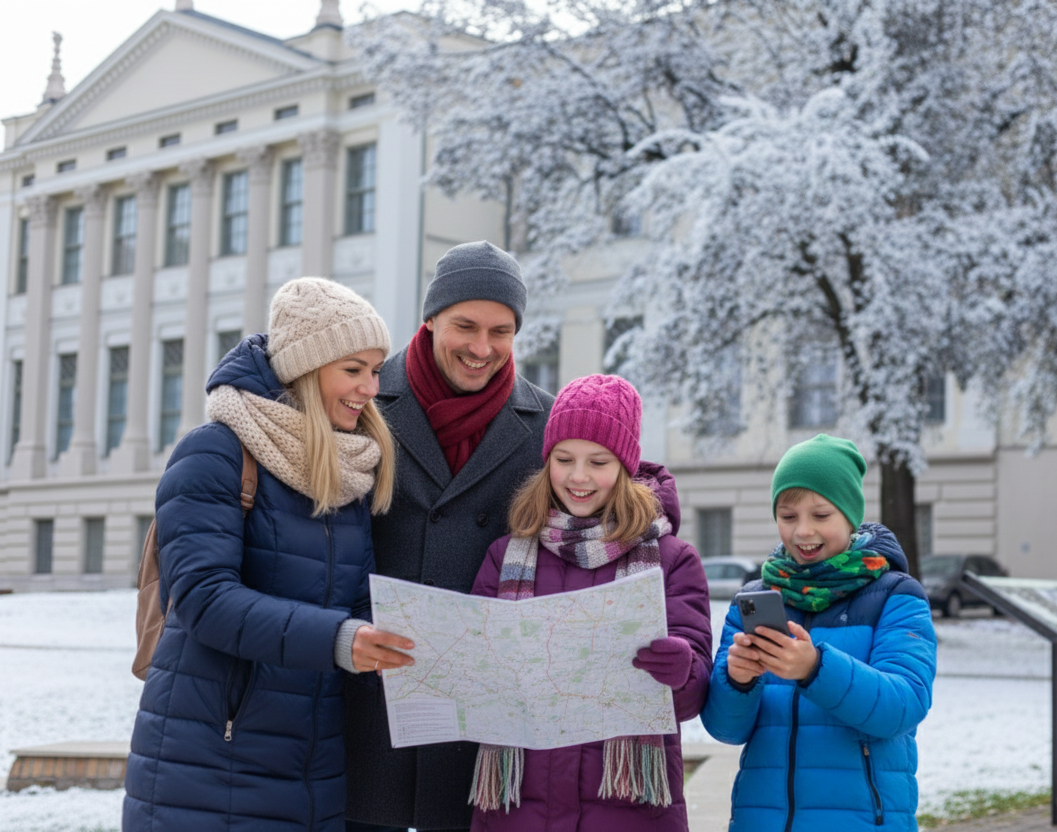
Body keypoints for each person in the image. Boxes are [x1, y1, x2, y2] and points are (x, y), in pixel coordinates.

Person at [123, 277, 416, 832]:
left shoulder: (345, 469)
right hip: (210, 761)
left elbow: (356, 603)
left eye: (376, 370)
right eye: (353, 369)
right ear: (307, 368)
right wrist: (340, 639)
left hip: (312, 766)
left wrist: (417, 646)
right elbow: (205, 599)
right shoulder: (215, 452)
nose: (371, 388)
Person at [344, 241, 556, 832]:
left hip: (479, 717)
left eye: (501, 331)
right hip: (367, 701)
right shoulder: (363, 400)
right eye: (465, 326)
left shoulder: (546, 423)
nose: (482, 348)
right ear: (432, 317)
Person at [467, 373, 712, 831]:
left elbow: (694, 694)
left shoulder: (672, 560)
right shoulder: (505, 555)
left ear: (624, 467)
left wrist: (681, 669)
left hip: (629, 813)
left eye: (598, 462)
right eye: (564, 459)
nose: (578, 477)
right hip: (517, 812)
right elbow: (473, 673)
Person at [700, 434, 937, 832]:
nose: (803, 531)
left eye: (821, 515)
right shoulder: (755, 600)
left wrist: (815, 669)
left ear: (849, 515)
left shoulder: (896, 595)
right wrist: (737, 680)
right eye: (788, 516)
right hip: (762, 821)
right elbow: (726, 729)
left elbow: (903, 705)